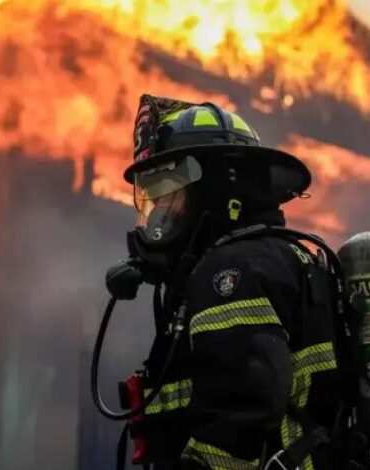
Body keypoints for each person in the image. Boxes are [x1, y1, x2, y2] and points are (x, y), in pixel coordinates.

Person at [115, 94, 342, 470]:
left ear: (214, 191)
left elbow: (241, 415)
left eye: (169, 194)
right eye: (152, 197)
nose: (157, 215)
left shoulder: (234, 273)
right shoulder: (270, 258)